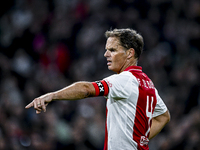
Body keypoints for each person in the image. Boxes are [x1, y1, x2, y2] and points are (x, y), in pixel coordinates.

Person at [25, 28, 170, 150]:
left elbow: (87, 89)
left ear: (130, 53)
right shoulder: (147, 83)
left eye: (112, 50)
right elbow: (164, 117)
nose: (106, 54)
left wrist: (52, 95)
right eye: (107, 50)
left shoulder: (125, 80)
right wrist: (139, 140)